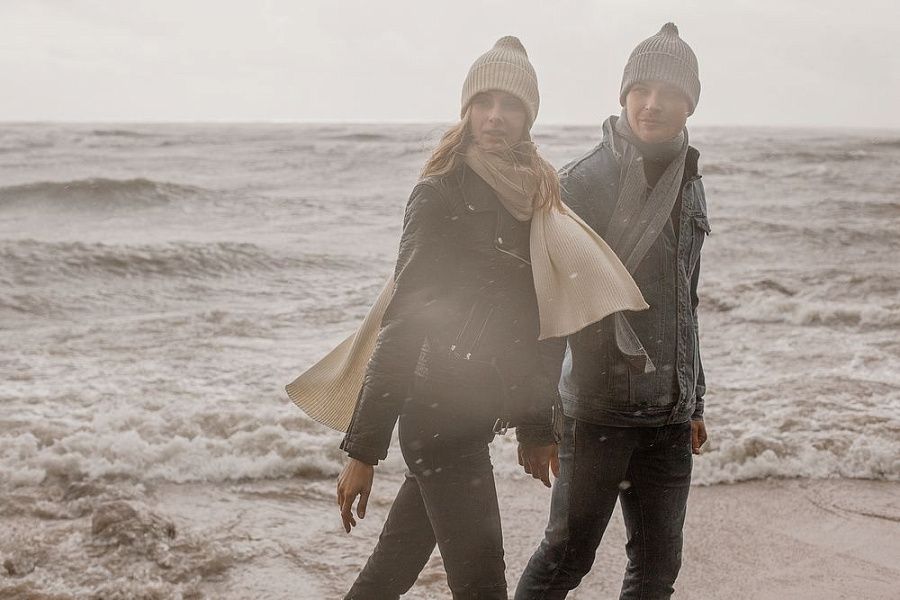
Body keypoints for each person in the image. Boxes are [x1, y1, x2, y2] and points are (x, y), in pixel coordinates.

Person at [328, 37, 647, 599]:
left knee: (391, 571)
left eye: (510, 105)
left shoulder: (537, 195)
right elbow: (404, 321)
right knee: (482, 583)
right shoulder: (439, 195)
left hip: (476, 417)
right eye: (484, 102)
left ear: (528, 117)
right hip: (435, 417)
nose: (495, 116)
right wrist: (363, 451)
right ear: (467, 110)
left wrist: (535, 427)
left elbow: (541, 324)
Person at [515, 23, 710, 600]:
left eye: (669, 93)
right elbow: (547, 308)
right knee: (564, 561)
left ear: (690, 103)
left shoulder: (690, 180)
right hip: (597, 413)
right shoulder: (582, 183)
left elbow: (686, 300)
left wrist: (694, 399)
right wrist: (535, 422)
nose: (652, 104)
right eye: (641, 90)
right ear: (623, 95)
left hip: (669, 418)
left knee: (656, 572)